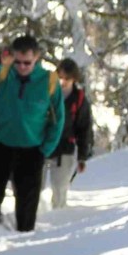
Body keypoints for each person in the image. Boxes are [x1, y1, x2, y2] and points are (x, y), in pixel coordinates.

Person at [0, 34, 65, 232]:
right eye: (17, 62)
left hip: (32, 149)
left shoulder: (49, 81)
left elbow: (58, 119)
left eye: (27, 62)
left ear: (36, 58)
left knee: (27, 204)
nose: (22, 67)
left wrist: (46, 149)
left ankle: (25, 239)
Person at [45, 58, 93, 209]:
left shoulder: (79, 99)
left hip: (65, 148)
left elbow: (84, 128)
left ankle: (59, 216)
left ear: (74, 79)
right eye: (60, 77)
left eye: (67, 78)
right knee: (34, 187)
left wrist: (82, 156)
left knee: (59, 188)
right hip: (42, 145)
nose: (63, 82)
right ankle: (36, 216)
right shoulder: (47, 93)